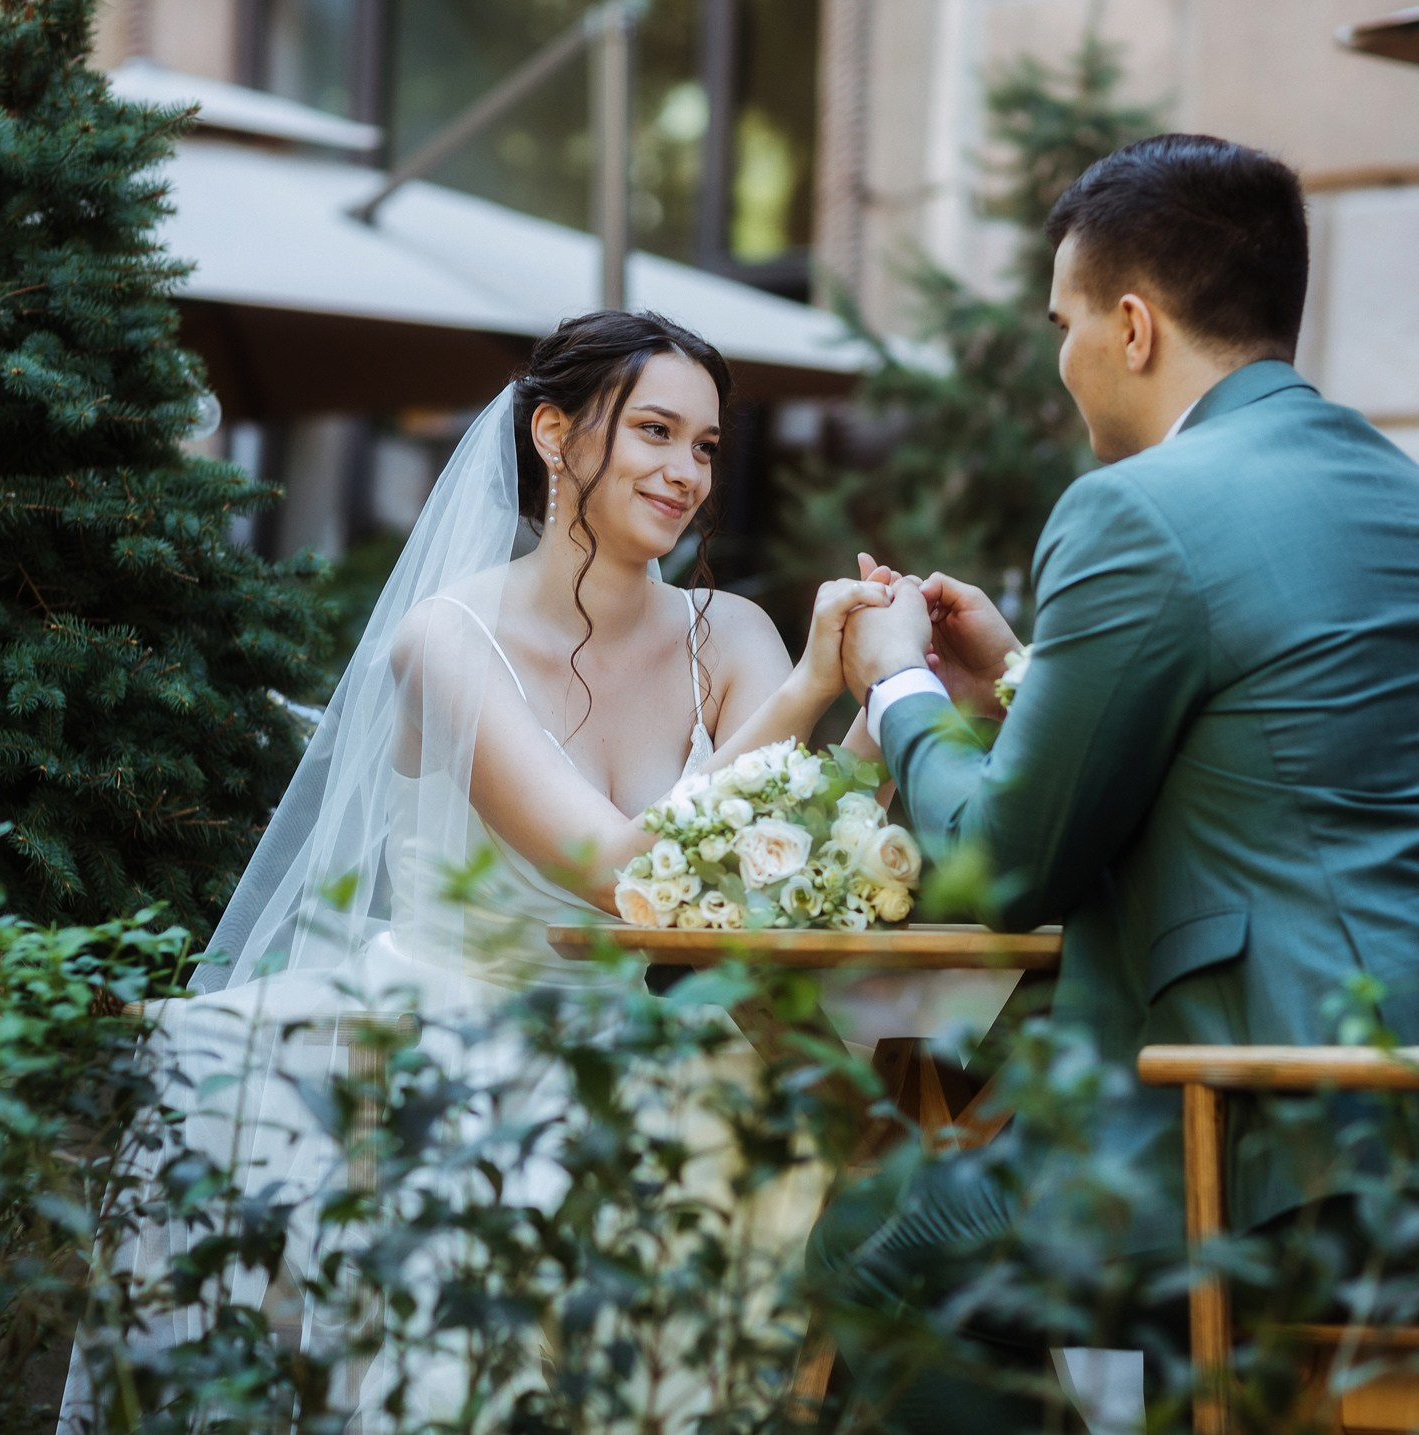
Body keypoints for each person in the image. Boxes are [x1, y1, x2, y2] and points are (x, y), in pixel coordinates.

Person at [825, 133, 1419, 1431]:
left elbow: (1007, 863)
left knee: (881, 1256)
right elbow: (1290, 754)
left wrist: (901, 689)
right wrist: (1027, 677)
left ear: (1133, 324)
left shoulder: (1134, 509)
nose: (1062, 362)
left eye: (1063, 326)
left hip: (1338, 1166)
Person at [59, 310, 885, 1430]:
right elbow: (616, 872)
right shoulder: (445, 642)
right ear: (554, 434)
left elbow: (770, 858)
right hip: (457, 1043)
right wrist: (807, 692)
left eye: (704, 445)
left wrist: (893, 704)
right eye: (653, 431)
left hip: (652, 1042)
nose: (685, 471)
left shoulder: (727, 633)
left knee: (830, 1168)